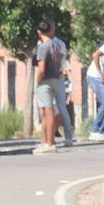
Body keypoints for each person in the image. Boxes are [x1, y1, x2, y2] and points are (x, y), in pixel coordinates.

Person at [32, 20, 66, 155]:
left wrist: (38, 81)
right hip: (55, 78)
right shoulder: (56, 45)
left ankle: (49, 142)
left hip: (45, 80)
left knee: (47, 111)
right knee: (48, 110)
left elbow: (41, 68)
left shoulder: (43, 47)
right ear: (50, 30)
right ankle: (46, 142)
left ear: (39, 32)